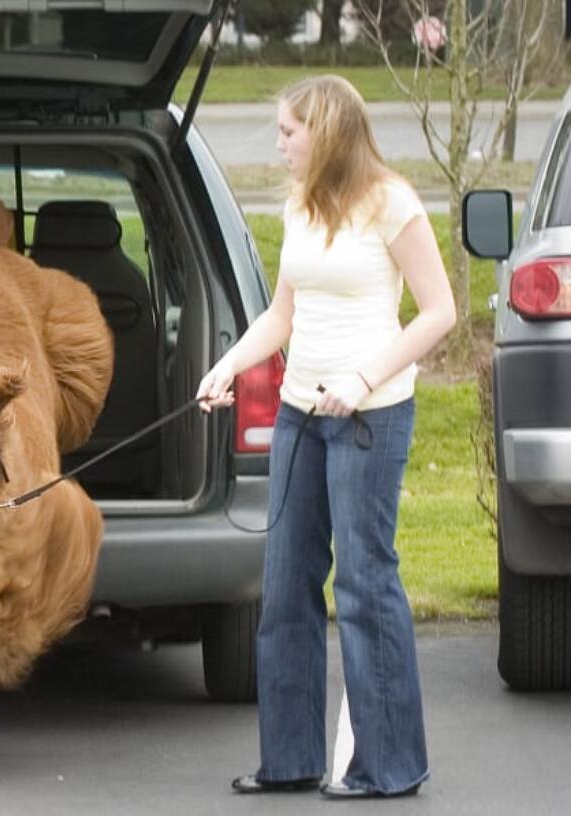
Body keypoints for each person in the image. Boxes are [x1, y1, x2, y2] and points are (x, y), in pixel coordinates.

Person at [196, 75, 456, 799]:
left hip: (369, 417)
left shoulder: (392, 204)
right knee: (283, 585)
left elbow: (439, 313)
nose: (278, 144)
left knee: (367, 585)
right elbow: (282, 315)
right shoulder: (302, 205)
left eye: (288, 131)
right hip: (299, 414)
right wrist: (226, 367)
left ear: (327, 131)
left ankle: (389, 766)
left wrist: (364, 378)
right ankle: (290, 759)